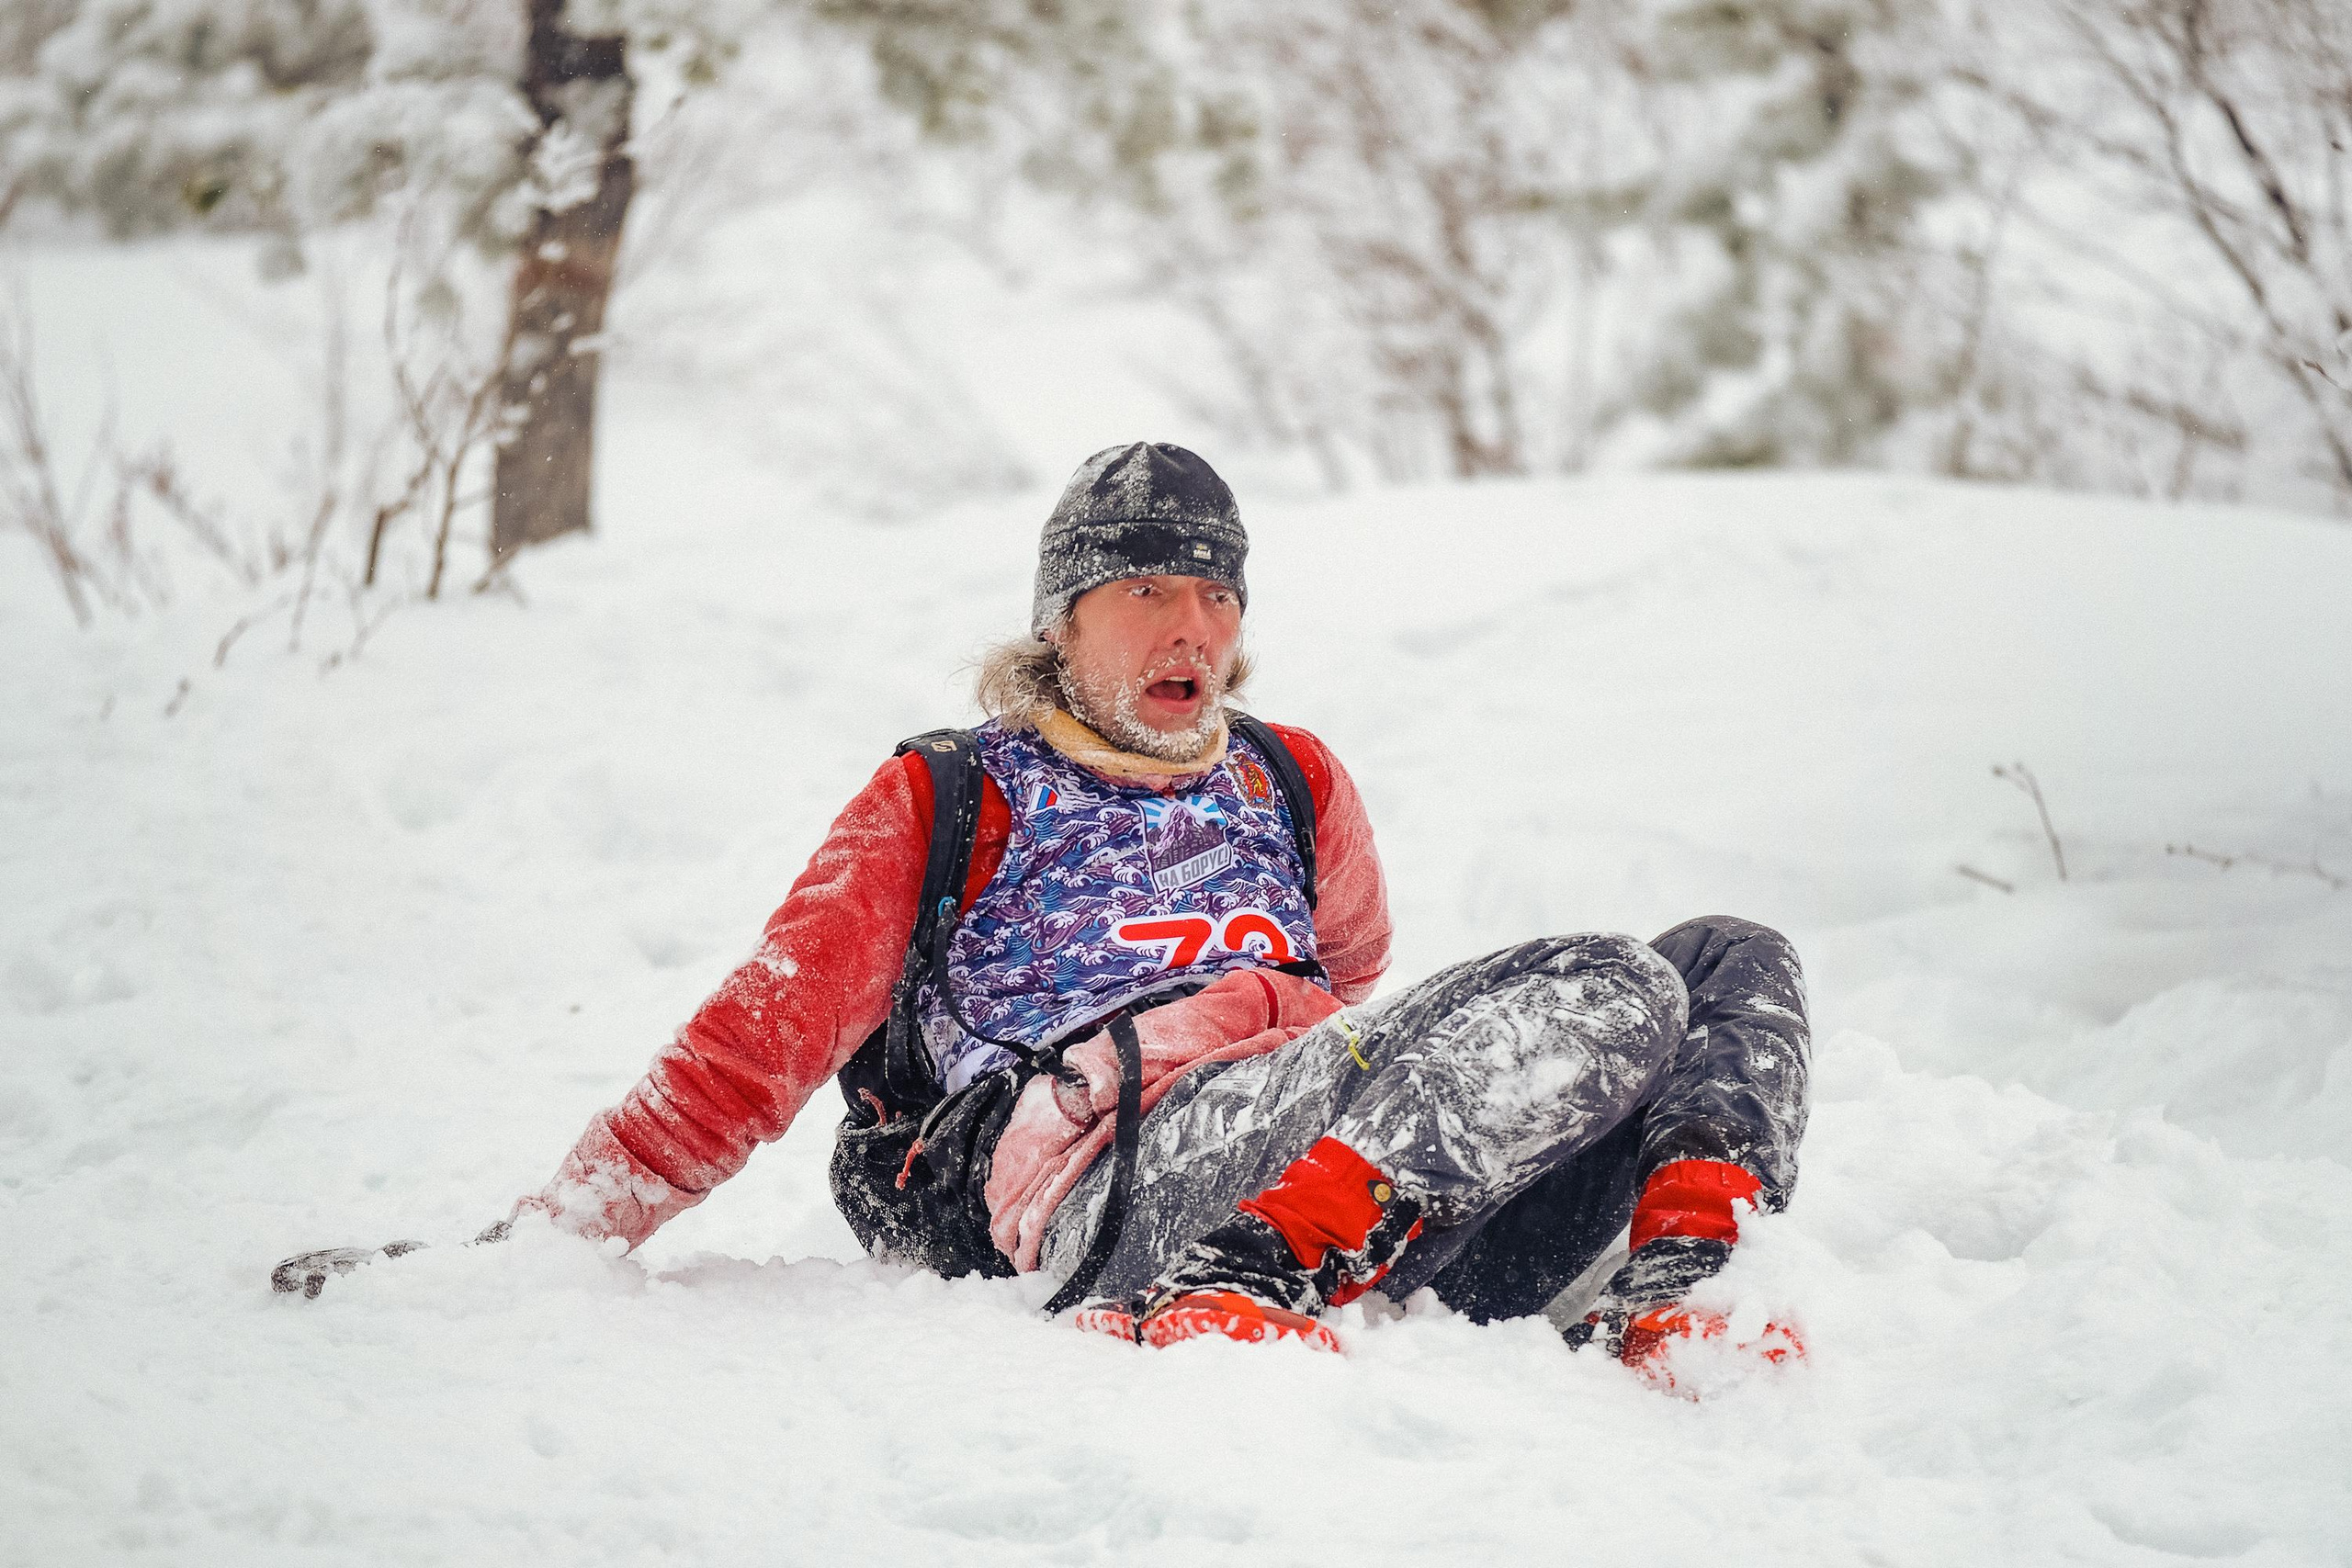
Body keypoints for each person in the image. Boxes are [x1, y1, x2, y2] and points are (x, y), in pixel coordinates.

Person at [276, 441, 1811, 1371]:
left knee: (1727, 959)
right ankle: (1236, 1291)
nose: (1190, 625)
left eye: (1216, 593)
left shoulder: (1291, 782)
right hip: (1118, 1179)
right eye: (1146, 588)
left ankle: (1672, 1294)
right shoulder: (953, 796)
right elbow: (748, 1051)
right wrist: (532, 1246)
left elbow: (1366, 983)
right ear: (1063, 620)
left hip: (1377, 1195)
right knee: (1607, 981)